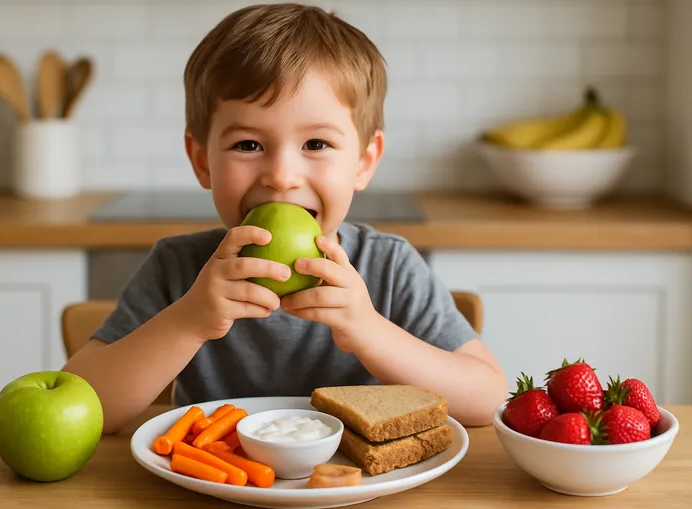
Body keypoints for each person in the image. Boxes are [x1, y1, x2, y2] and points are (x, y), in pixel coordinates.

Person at [63, 3, 507, 435]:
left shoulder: (389, 268)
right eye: (248, 145)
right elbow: (81, 404)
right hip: (215, 486)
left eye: (316, 144)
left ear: (364, 162)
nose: (281, 177)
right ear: (202, 161)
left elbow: (487, 398)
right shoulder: (177, 269)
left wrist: (372, 334)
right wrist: (187, 320)